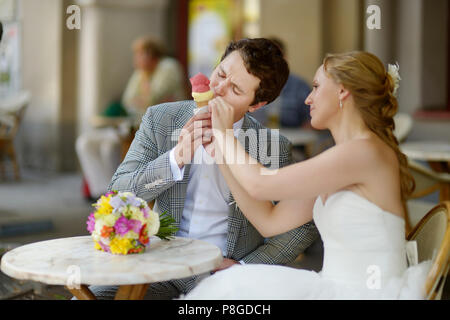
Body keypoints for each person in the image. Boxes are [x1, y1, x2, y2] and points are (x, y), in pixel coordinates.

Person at [184, 51, 432, 300]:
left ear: (342, 90)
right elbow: (268, 221)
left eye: (315, 87)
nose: (308, 99)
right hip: (334, 287)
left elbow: (260, 184)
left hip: (368, 293)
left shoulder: (364, 152)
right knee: (230, 286)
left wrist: (225, 134)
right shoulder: (340, 159)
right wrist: (222, 154)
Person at [89, 38, 318, 300]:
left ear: (256, 105)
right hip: (161, 269)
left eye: (235, 89)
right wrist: (175, 158)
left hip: (224, 278)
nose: (218, 89)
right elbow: (117, 193)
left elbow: (302, 227)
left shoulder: (271, 147)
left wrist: (244, 269)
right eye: (220, 74)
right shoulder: (161, 119)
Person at [75, 37, 187, 199]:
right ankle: (103, 193)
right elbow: (128, 100)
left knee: (110, 148)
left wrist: (145, 96)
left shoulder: (167, 67)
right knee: (86, 142)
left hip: (163, 131)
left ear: (151, 55)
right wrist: (143, 95)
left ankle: (116, 194)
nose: (136, 59)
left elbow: (153, 99)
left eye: (140, 54)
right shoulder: (141, 73)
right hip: (133, 127)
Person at [251, 37, 311, 128]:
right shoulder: (250, 85)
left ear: (285, 59)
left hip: (292, 141)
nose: (270, 63)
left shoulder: (300, 87)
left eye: (275, 58)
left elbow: (311, 122)